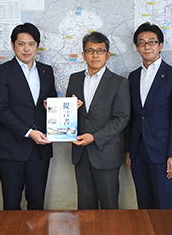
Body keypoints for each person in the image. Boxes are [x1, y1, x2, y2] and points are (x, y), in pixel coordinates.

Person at [0, 23, 57, 210]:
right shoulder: (2, 71)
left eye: (31, 44)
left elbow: (49, 103)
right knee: (11, 205)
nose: (26, 49)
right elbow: (0, 109)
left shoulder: (46, 71)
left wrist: (54, 106)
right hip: (12, 149)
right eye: (21, 44)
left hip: (40, 150)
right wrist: (28, 132)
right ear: (13, 45)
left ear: (37, 46)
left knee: (37, 204)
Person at [124, 22, 172, 209]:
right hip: (138, 151)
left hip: (163, 153)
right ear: (136, 47)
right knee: (144, 204)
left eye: (152, 42)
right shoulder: (133, 77)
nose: (147, 46)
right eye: (142, 43)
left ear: (161, 45)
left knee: (164, 204)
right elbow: (133, 116)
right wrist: (129, 150)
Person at [66, 31, 130, 210]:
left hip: (105, 153)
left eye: (100, 50)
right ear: (83, 54)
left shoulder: (119, 83)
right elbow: (68, 113)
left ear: (107, 55)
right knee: (85, 208)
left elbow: (121, 118)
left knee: (109, 206)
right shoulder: (75, 79)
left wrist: (94, 137)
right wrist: (60, 107)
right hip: (81, 154)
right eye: (90, 50)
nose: (95, 55)